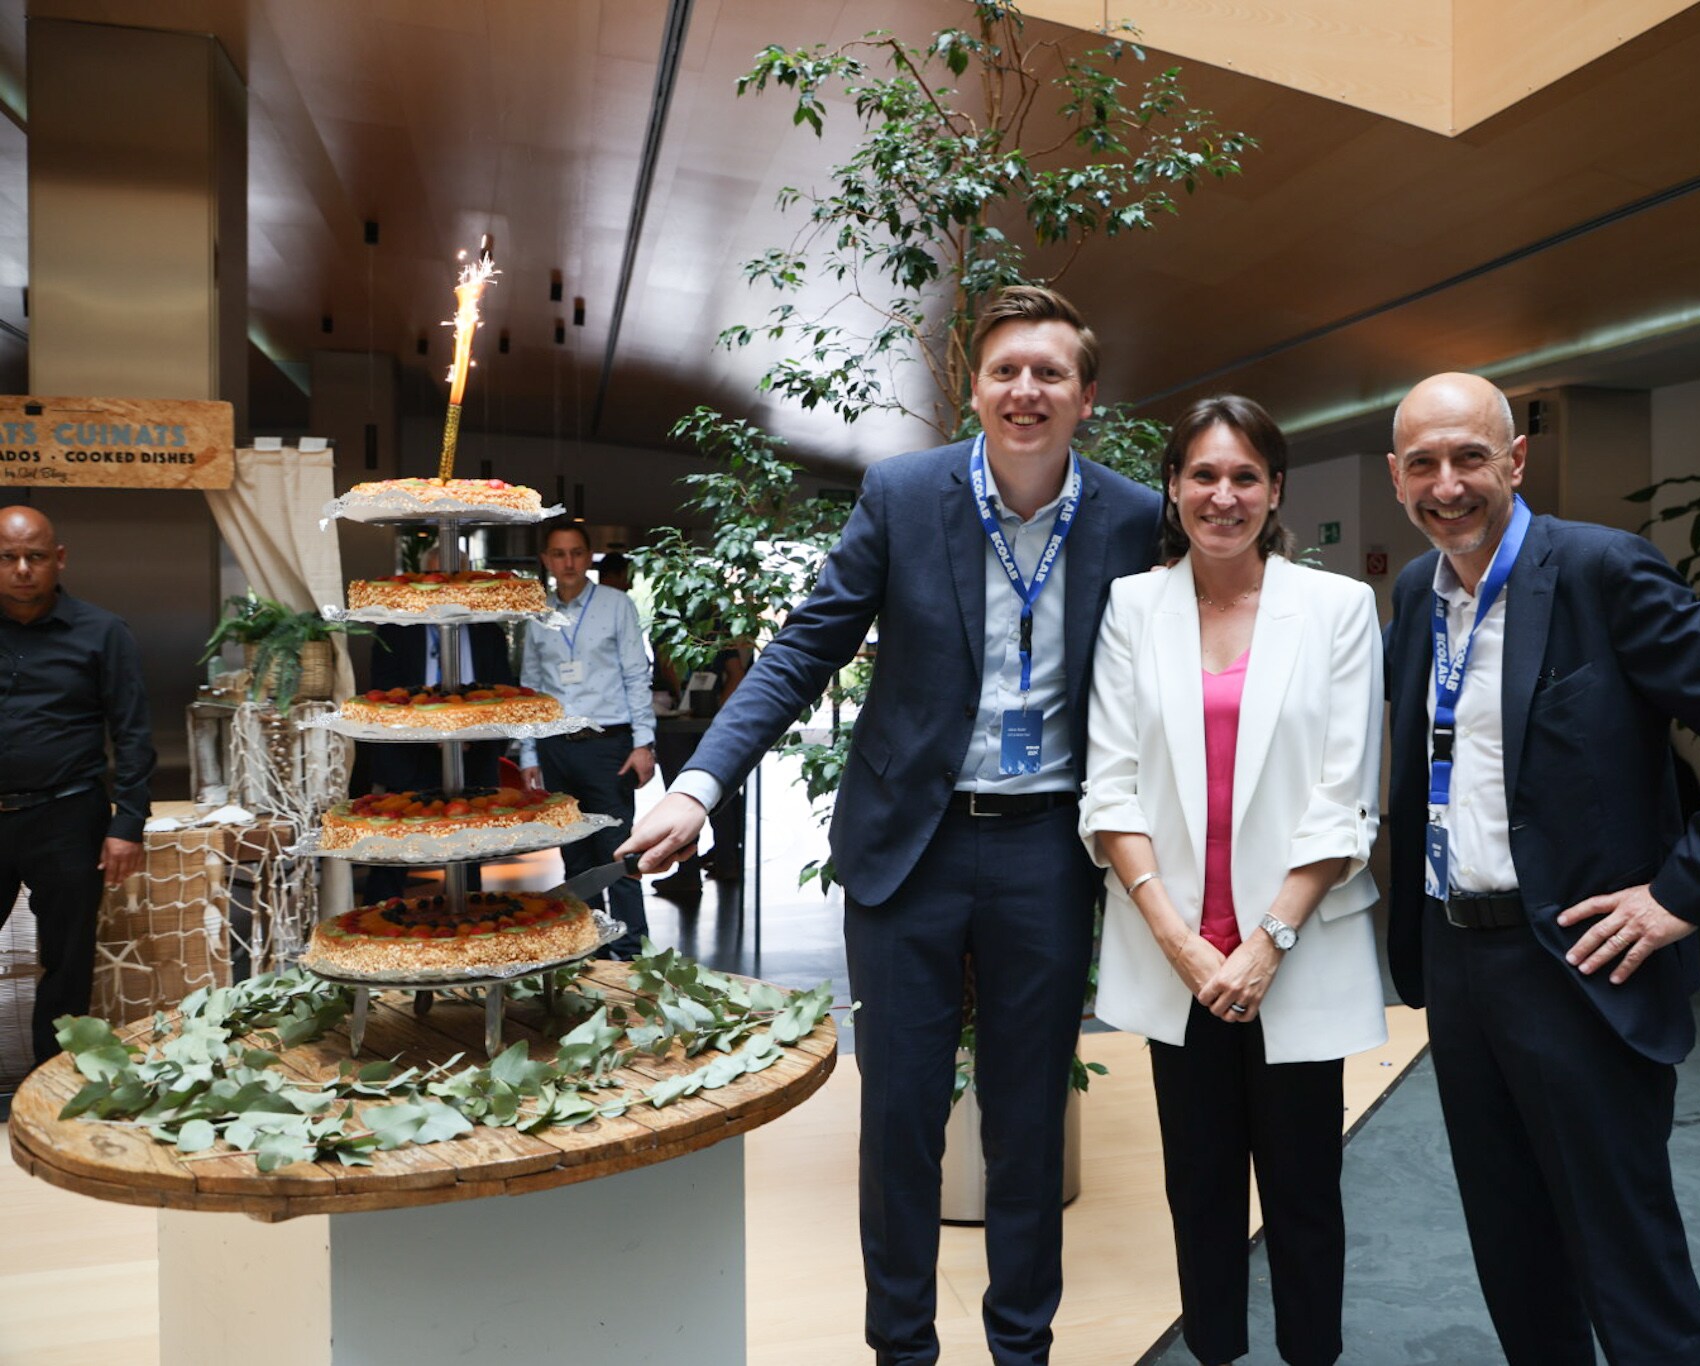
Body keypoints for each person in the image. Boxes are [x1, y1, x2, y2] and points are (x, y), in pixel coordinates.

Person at [618, 285, 1160, 1366]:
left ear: (1086, 396)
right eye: (1006, 370)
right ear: (975, 388)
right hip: (912, 846)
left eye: (1050, 373)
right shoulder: (906, 495)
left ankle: (1022, 1349)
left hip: (1046, 848)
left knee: (1026, 1119)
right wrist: (699, 785)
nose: (1026, 390)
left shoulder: (1133, 517)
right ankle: (901, 1350)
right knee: (901, 1116)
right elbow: (802, 649)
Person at [1380, 373, 1700, 1365]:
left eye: (1468, 457)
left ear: (1515, 461)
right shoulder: (1415, 593)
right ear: (1394, 476)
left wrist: (1678, 894)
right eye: (1422, 463)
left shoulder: (1599, 570)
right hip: (1456, 961)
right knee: (1511, 1252)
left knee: (1627, 1264)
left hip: (1577, 965)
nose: (1446, 485)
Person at [1078, 396, 1383, 1366]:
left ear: (1275, 490)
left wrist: (1266, 941)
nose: (1223, 495)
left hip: (1293, 952)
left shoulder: (1335, 609)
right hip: (1180, 963)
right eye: (1203, 475)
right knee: (1198, 1192)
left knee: (1305, 1195)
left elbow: (1345, 796)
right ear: (1172, 487)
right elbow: (1109, 786)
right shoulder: (1133, 607)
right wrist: (1180, 941)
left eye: (1244, 476)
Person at [0, 506, 155, 1063]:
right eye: (8, 557)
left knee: (67, 962)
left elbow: (133, 733)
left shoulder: (102, 632)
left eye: (35, 556)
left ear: (59, 558)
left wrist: (128, 823)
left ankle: (49, 1083)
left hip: (67, 817)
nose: (23, 569)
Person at [518, 519, 655, 957]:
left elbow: (636, 675)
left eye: (576, 553)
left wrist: (643, 743)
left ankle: (631, 955)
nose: (569, 562)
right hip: (555, 748)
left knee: (618, 853)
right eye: (559, 554)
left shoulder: (616, 605)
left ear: (588, 557)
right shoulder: (538, 614)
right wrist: (527, 753)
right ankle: (589, 951)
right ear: (546, 560)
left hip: (608, 747)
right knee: (575, 859)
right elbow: (530, 688)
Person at [358, 619, 517, 901]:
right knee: (394, 848)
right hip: (409, 756)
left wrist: (472, 734)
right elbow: (384, 694)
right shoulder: (396, 630)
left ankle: (466, 917)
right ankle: (375, 922)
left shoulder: (488, 632)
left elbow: (503, 692)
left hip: (474, 757)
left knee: (468, 850)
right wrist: (431, 730)